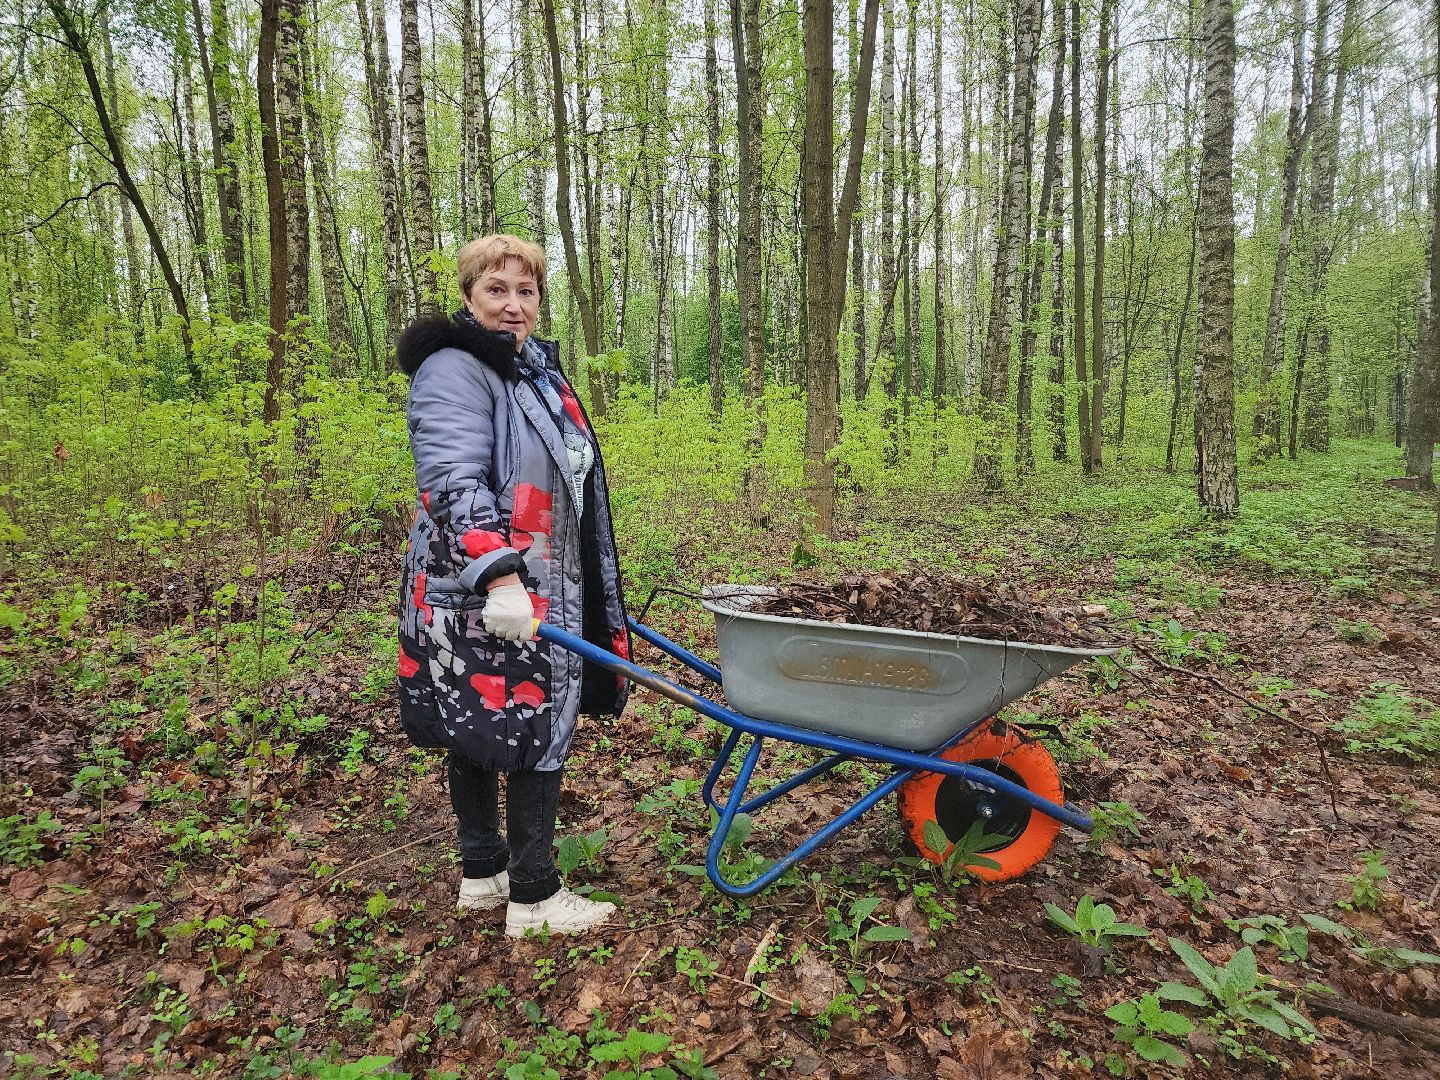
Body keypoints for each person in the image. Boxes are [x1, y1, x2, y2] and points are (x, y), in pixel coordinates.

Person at [394, 234, 630, 938]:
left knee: (484, 728)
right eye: (497, 289)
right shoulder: (456, 370)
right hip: (493, 588)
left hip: (527, 582)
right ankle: (533, 896)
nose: (514, 304)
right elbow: (453, 482)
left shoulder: (531, 372)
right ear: (468, 296)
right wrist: (500, 577)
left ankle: (484, 874)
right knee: (531, 724)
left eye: (525, 291)